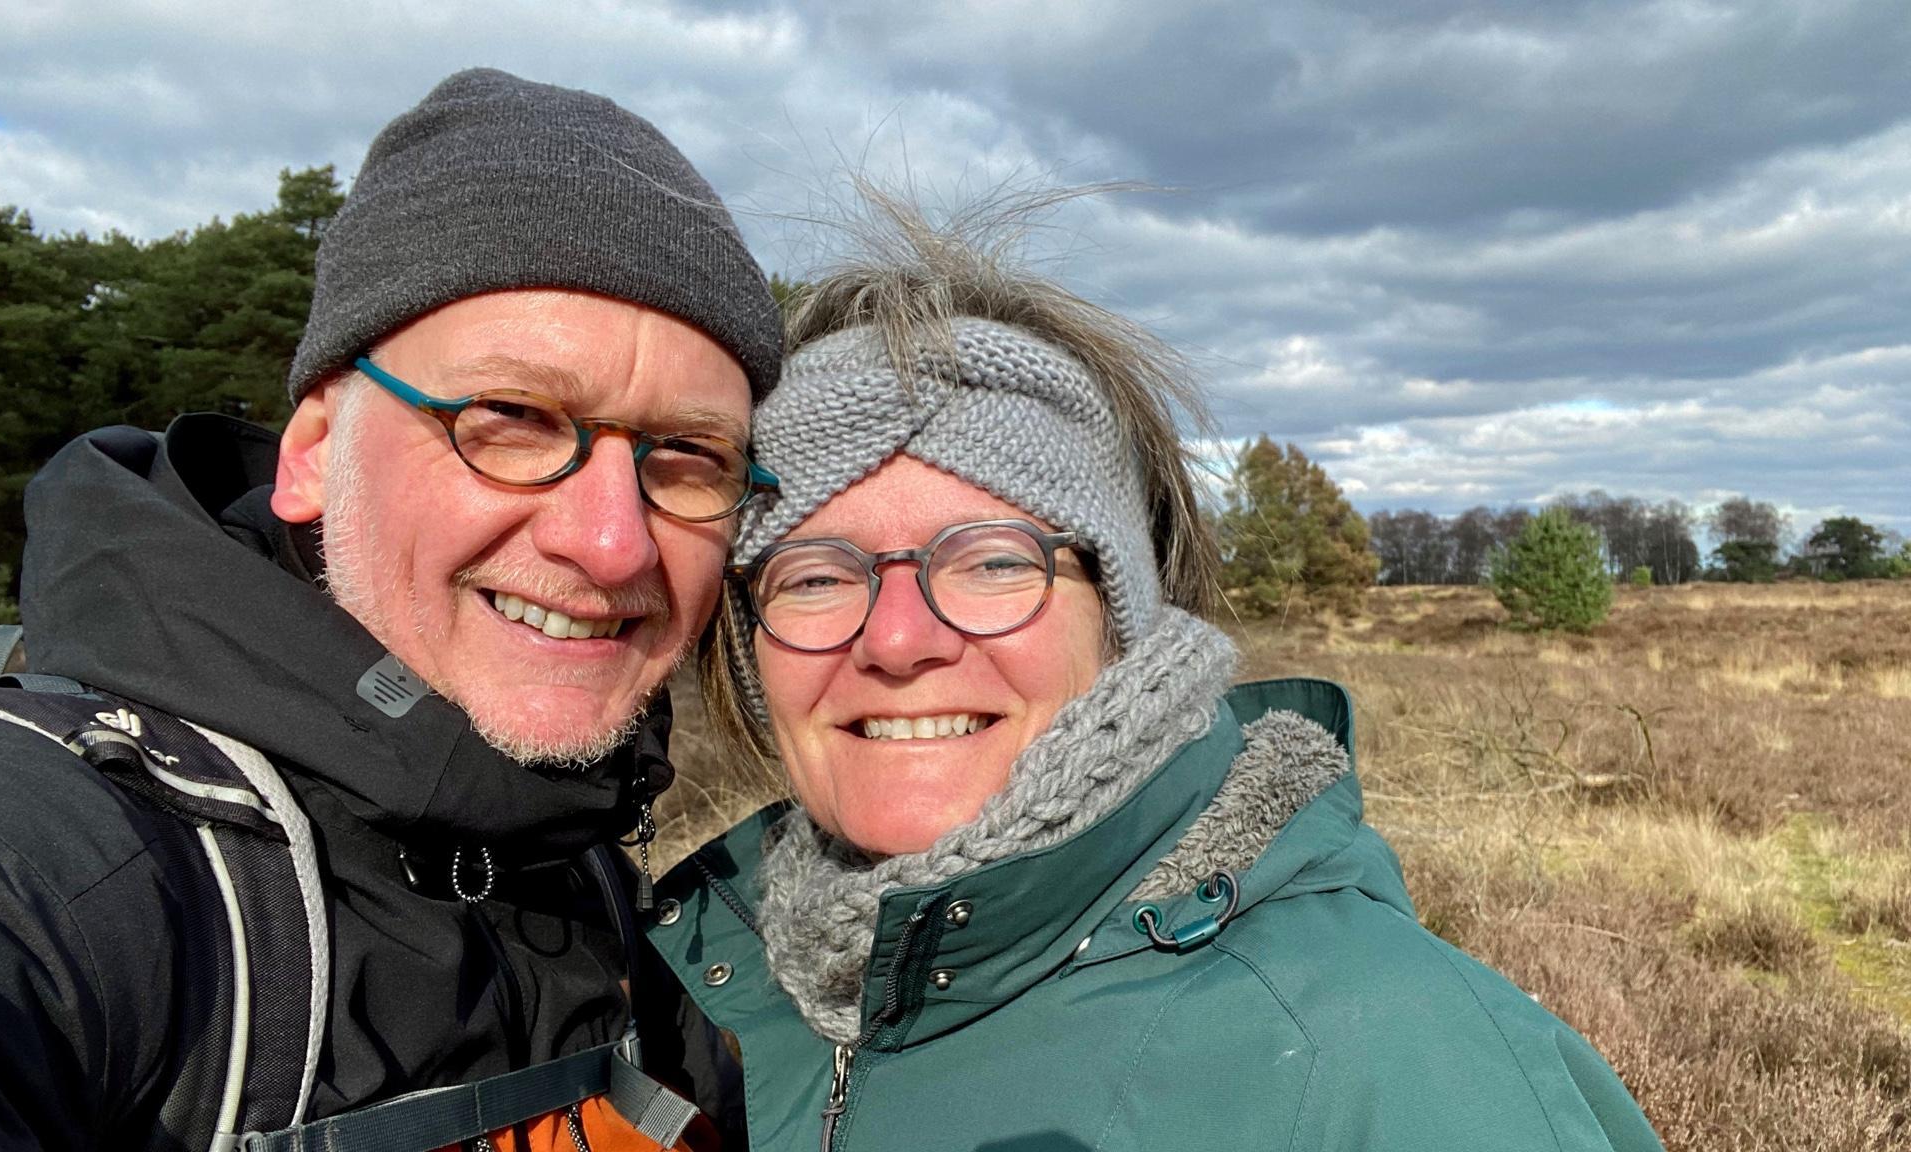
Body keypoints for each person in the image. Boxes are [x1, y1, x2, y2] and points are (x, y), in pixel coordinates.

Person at [0, 69, 780, 1151]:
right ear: (313, 453)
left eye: (687, 457)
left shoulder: (578, 845)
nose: (612, 541)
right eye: (513, 418)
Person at [644, 196, 1667, 1151]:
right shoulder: (677, 987)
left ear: (1121, 617)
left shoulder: (1394, 1069)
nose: (898, 639)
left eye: (994, 563)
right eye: (816, 575)